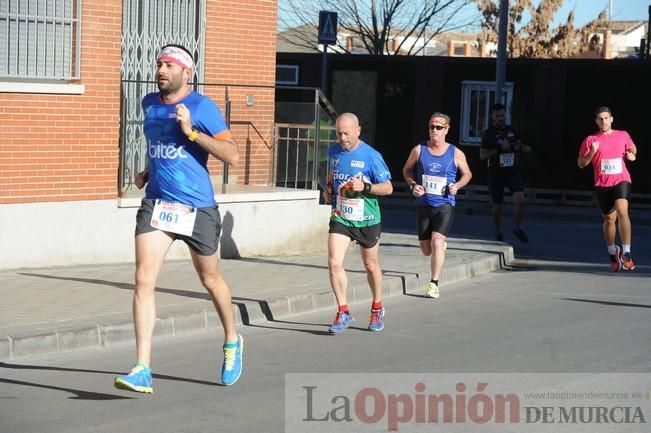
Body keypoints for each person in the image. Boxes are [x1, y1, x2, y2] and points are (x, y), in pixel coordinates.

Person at [114, 44, 243, 393]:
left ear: (187, 73)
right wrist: (145, 172)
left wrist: (192, 132)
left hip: (197, 208)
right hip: (157, 204)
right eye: (159, 63)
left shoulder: (202, 107)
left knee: (210, 279)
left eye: (169, 65)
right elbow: (165, 151)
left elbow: (232, 155)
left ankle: (232, 339)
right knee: (143, 279)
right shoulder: (150, 105)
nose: (161, 69)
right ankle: (143, 367)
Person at [323, 113, 393, 334]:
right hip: (341, 215)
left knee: (370, 265)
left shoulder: (371, 156)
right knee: (334, 262)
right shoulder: (333, 151)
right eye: (339, 133)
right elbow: (332, 173)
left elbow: (389, 188)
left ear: (357, 131)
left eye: (346, 133)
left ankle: (377, 306)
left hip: (367, 218)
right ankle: (343, 310)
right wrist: (329, 190)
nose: (342, 138)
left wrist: (367, 187)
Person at [402, 113, 472, 298]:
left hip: (445, 204)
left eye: (439, 127)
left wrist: (457, 185)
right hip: (424, 204)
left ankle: (434, 283)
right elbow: (406, 170)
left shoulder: (455, 153)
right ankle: (438, 250)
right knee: (426, 250)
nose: (434, 130)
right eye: (432, 126)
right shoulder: (419, 150)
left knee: (437, 242)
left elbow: (467, 174)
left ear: (447, 129)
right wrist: (413, 185)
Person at [578, 106, 637, 272]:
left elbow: (633, 149)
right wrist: (591, 153)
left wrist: (632, 155)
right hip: (603, 184)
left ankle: (627, 253)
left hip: (621, 179)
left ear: (611, 119)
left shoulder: (623, 135)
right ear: (596, 121)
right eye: (600, 119)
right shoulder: (590, 140)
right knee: (609, 220)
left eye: (606, 118)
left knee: (622, 211)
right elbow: (581, 164)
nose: (604, 121)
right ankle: (613, 253)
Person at [480, 103, 531, 243]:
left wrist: (523, 148)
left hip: (511, 171)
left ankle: (518, 228)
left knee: (520, 200)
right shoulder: (488, 134)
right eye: (498, 116)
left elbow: (520, 144)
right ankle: (498, 230)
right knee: (497, 205)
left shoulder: (511, 130)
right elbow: (482, 155)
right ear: (492, 117)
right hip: (496, 172)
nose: (501, 118)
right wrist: (499, 149)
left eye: (502, 115)